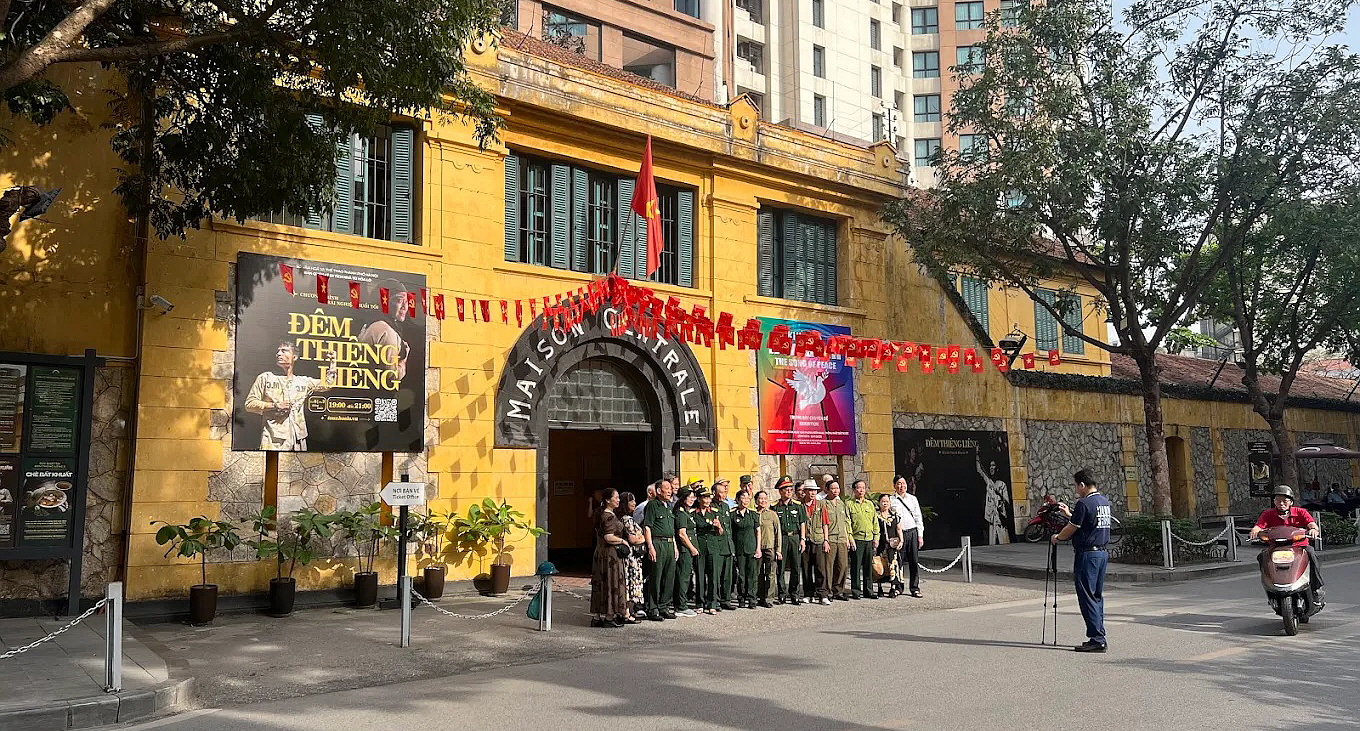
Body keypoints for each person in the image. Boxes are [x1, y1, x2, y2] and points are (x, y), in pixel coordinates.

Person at [1051, 469, 1112, 653]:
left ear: (1082, 485)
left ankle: (1097, 638)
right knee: (1096, 595)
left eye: (1076, 486)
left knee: (1086, 596)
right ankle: (1099, 635)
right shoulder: (1103, 502)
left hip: (1087, 554)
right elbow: (1088, 522)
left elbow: (1071, 529)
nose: (1076, 490)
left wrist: (1058, 537)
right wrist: (1069, 514)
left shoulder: (1084, 503)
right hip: (1101, 553)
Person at [243, 340, 337, 451]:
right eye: (278, 351)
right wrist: (275, 405)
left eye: (284, 351)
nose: (279, 354)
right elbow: (249, 404)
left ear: (294, 357)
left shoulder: (302, 381)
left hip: (298, 437)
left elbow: (327, 385)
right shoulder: (266, 377)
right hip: (274, 439)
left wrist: (333, 363)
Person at [1249, 485, 1325, 602]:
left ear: (1291, 502)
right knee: (1262, 556)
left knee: (1311, 554)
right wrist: (1255, 531)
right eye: (1278, 500)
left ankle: (1316, 587)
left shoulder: (1301, 512)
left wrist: (1314, 530)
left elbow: (1311, 524)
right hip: (1276, 547)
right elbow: (1259, 525)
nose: (1281, 503)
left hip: (1299, 546)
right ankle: (1270, 586)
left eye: (1285, 500)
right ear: (1274, 501)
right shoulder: (1267, 514)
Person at [590, 489, 631, 628]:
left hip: (600, 552)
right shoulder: (608, 516)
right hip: (610, 555)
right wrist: (623, 541)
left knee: (600, 583)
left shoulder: (602, 514)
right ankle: (609, 616)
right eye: (616, 497)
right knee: (611, 583)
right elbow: (608, 537)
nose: (618, 500)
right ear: (608, 500)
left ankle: (597, 617)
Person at [641, 478, 679, 621]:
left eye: (671, 488)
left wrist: (674, 546)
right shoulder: (652, 505)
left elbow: (671, 529)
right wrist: (650, 546)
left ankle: (664, 606)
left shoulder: (668, 507)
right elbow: (647, 527)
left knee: (669, 577)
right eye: (667, 488)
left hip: (669, 544)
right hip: (658, 543)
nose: (670, 491)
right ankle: (653, 608)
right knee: (656, 577)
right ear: (658, 491)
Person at [772, 476, 807, 605]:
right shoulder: (775, 507)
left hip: (795, 537)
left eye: (790, 489)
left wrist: (802, 539)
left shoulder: (798, 506)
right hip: (782, 538)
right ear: (780, 491)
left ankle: (794, 594)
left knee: (796, 567)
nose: (789, 492)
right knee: (780, 567)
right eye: (786, 489)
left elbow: (802, 522)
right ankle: (781, 594)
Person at [890, 475, 925, 598]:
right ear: (894, 486)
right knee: (898, 562)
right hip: (899, 534)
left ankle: (914, 588)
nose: (902, 486)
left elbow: (918, 518)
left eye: (903, 483)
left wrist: (920, 536)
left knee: (913, 561)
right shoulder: (891, 500)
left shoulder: (912, 499)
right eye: (899, 483)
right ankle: (898, 587)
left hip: (912, 532)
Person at [844, 479, 880, 600]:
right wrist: (850, 539)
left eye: (863, 488)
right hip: (857, 539)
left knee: (868, 567)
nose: (861, 490)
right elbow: (847, 523)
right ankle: (856, 591)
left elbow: (875, 522)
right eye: (859, 488)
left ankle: (869, 590)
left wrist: (876, 537)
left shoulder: (870, 504)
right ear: (854, 490)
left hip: (869, 539)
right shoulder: (849, 504)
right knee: (856, 566)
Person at [693, 489, 724, 615]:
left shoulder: (715, 513)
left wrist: (719, 526)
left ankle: (712, 603)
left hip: (712, 546)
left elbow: (720, 533)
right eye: (704, 498)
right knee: (700, 575)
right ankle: (700, 603)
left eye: (709, 498)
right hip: (700, 546)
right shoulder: (694, 513)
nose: (707, 501)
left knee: (713, 576)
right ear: (699, 499)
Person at [672, 487, 700, 618]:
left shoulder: (687, 513)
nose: (692, 500)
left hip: (688, 549)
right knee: (683, 577)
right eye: (690, 497)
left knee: (686, 576)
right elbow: (682, 534)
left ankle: (682, 603)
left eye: (693, 497)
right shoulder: (681, 513)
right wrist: (692, 548)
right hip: (685, 549)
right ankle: (681, 606)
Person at [617, 492, 646, 622]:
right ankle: (627, 612)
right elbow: (634, 539)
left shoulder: (622, 518)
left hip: (630, 556)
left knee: (629, 583)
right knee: (631, 583)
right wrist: (642, 537)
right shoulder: (627, 519)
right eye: (631, 501)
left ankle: (628, 611)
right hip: (631, 558)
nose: (634, 503)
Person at [823, 480, 852, 601]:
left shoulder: (841, 504)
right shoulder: (823, 504)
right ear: (827, 490)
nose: (836, 490)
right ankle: (828, 591)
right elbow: (823, 523)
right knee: (829, 567)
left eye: (837, 488)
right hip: (830, 538)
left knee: (843, 565)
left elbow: (845, 522)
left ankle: (838, 590)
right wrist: (825, 540)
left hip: (841, 539)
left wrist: (847, 539)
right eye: (833, 488)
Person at [802, 482, 830, 604]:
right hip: (806, 540)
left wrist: (826, 540)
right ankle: (808, 593)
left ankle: (822, 594)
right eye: (810, 490)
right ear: (805, 491)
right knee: (806, 568)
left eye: (814, 490)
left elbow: (825, 523)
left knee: (820, 568)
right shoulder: (800, 505)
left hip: (818, 539)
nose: (813, 493)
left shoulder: (821, 505)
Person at [731, 490, 759, 609]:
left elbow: (758, 531)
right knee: (741, 575)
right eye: (743, 497)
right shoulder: (732, 515)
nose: (746, 500)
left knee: (752, 574)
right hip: (739, 549)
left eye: (748, 498)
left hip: (751, 547)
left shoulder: (753, 514)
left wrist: (758, 548)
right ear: (738, 499)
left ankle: (752, 598)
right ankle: (741, 597)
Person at [711, 478, 737, 609]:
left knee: (728, 576)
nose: (723, 495)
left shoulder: (726, 506)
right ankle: (715, 600)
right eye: (721, 492)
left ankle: (726, 600)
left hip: (727, 545)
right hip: (717, 546)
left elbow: (729, 528)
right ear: (714, 493)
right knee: (716, 576)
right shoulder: (710, 507)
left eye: (725, 492)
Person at [755, 490, 782, 608]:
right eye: (760, 498)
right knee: (759, 573)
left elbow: (778, 533)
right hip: (757, 548)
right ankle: (760, 597)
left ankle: (769, 598)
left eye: (765, 498)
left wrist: (778, 550)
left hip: (770, 547)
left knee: (771, 573)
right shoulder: (753, 514)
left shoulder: (772, 514)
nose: (763, 501)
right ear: (756, 500)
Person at [978, 458, 1012, 545]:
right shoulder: (989, 483)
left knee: (1004, 543)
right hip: (991, 518)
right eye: (990, 466)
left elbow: (1007, 503)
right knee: (992, 543)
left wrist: (999, 495)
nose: (991, 468)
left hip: (1000, 519)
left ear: (997, 468)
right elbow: (980, 470)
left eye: (993, 465)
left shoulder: (1002, 484)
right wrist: (977, 455)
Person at [875, 493, 903, 598]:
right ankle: (879, 588)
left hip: (892, 545)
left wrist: (901, 540)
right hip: (880, 545)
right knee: (880, 566)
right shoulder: (876, 515)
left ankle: (893, 588)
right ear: (879, 503)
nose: (885, 503)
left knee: (893, 565)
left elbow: (899, 529)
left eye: (887, 501)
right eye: (883, 501)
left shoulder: (895, 515)